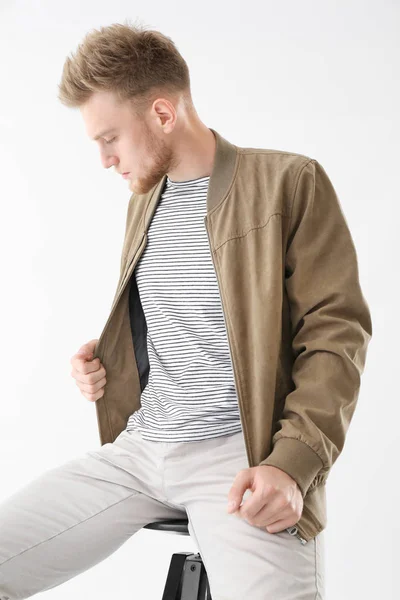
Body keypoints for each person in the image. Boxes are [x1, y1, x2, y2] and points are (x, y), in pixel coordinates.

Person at [0, 20, 372, 600]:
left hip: (241, 458)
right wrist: (110, 360)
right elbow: (184, 317)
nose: (103, 160)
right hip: (142, 448)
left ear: (163, 114)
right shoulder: (145, 201)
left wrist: (292, 464)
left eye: (109, 139)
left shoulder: (287, 182)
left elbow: (335, 334)